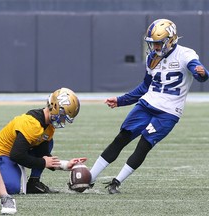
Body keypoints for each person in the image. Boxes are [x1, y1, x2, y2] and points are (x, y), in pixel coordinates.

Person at [89, 19, 209, 194]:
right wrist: (121, 100)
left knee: (144, 145)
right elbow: (145, 87)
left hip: (168, 113)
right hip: (146, 105)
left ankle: (116, 182)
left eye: (159, 43)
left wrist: (202, 72)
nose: (156, 48)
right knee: (121, 138)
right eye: (153, 44)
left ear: (171, 39)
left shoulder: (186, 54)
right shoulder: (152, 58)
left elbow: (201, 74)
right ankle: (90, 178)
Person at [0, 87, 87, 195]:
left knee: (48, 142)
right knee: (12, 188)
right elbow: (17, 155)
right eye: (63, 116)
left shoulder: (48, 126)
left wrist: (66, 165)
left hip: (16, 153)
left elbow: (43, 155)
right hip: (0, 156)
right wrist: (42, 162)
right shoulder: (32, 124)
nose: (63, 120)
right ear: (55, 107)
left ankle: (33, 182)